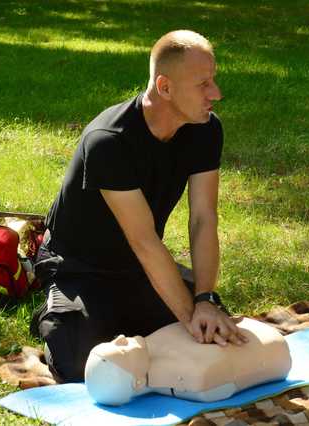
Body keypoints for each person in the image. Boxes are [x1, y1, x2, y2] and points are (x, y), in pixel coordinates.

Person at [31, 30, 248, 383]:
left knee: (215, 332)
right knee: (79, 368)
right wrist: (188, 315)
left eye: (215, 80)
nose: (216, 94)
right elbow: (144, 240)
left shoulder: (205, 129)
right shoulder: (110, 141)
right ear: (165, 87)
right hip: (81, 269)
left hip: (139, 268)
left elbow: (204, 220)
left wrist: (204, 300)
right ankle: (55, 310)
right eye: (203, 84)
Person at [84, 318, 292, 405]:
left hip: (258, 335)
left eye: (113, 342)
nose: (121, 338)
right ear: (137, 383)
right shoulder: (191, 377)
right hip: (271, 345)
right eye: (122, 350)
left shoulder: (152, 344)